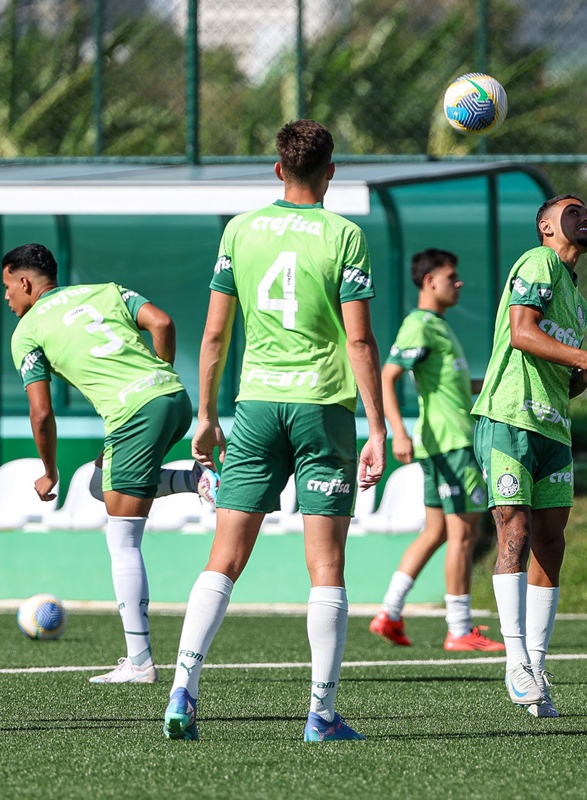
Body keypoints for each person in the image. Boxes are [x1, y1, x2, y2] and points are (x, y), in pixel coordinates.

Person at [163, 119, 387, 743]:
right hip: (323, 408)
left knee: (224, 558)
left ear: (277, 170)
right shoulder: (345, 235)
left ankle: (183, 686)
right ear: (331, 172)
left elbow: (213, 334)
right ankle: (321, 713)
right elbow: (360, 338)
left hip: (256, 404)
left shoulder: (240, 229)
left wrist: (207, 415)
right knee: (326, 567)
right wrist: (377, 426)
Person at [1, 243, 215, 685]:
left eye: (7, 287)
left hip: (134, 413)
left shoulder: (26, 332)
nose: (7, 298)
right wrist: (159, 376)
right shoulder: (105, 290)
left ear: (24, 283)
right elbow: (163, 322)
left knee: (122, 540)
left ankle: (139, 663)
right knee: (102, 485)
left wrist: (50, 470)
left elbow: (41, 413)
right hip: (174, 398)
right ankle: (195, 479)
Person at [472, 194, 587, 718]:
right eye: (572, 210)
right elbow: (522, 333)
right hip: (510, 418)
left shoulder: (577, 300)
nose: (585, 216)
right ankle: (514, 660)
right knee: (514, 534)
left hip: (552, 426)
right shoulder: (537, 261)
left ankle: (536, 665)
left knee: (551, 543)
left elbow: (562, 382)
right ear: (545, 225)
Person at [369, 248, 503, 652]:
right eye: (451, 276)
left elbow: (454, 388)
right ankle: (459, 628)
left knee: (437, 531)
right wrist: (398, 432)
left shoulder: (440, 327)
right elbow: (387, 376)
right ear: (430, 282)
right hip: (450, 444)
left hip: (444, 443)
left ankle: (389, 612)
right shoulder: (420, 325)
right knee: (465, 532)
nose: (458, 283)